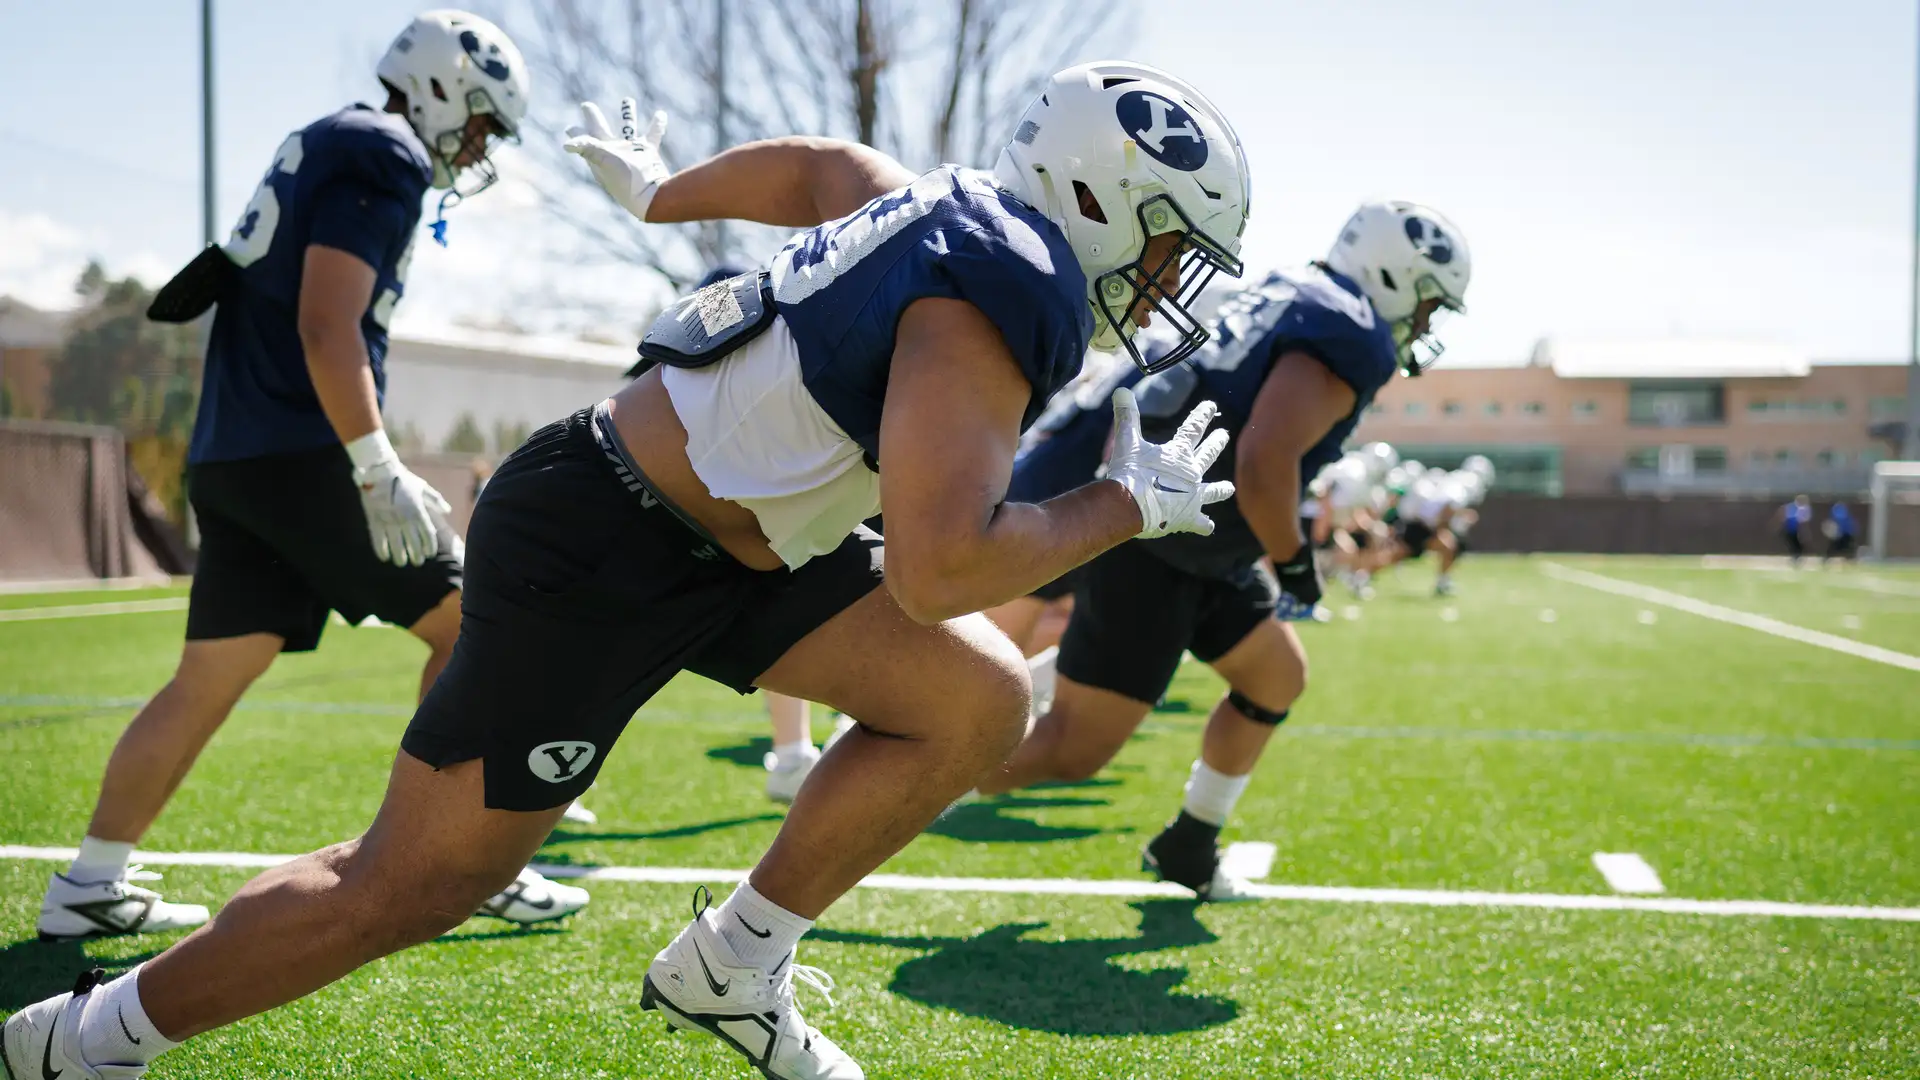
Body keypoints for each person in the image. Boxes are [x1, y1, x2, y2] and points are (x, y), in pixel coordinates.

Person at [4, 61, 1251, 1080]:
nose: (1163, 286)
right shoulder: (998, 291)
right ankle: (88, 1040)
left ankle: (735, 961)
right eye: (1166, 246)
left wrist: (665, 194)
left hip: (739, 541)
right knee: (409, 886)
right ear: (1097, 196)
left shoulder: (950, 209)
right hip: (601, 541)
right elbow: (941, 567)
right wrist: (1121, 505)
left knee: (976, 698)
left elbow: (829, 169)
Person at [28, 10, 585, 949]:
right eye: (483, 119)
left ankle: (91, 880)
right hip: (303, 454)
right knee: (476, 629)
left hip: (236, 455)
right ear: (445, 86)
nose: (480, 144)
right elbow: (328, 326)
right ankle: (455, 864)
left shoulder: (333, 139)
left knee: (205, 679)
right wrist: (374, 464)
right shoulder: (384, 153)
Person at [978, 202, 1472, 901]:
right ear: (1395, 275)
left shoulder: (1294, 291)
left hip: (1200, 532)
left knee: (1274, 678)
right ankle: (916, 761)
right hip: (1161, 538)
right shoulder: (1348, 331)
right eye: (1427, 303)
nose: (1425, 324)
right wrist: (1298, 568)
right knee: (1072, 750)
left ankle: (1189, 843)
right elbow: (1268, 462)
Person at [1778, 494, 1813, 565]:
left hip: (1792, 530)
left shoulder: (1793, 508)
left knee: (1796, 546)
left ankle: (1795, 558)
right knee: (1795, 545)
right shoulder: (1795, 508)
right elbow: (1801, 521)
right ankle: (1795, 558)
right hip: (1791, 531)